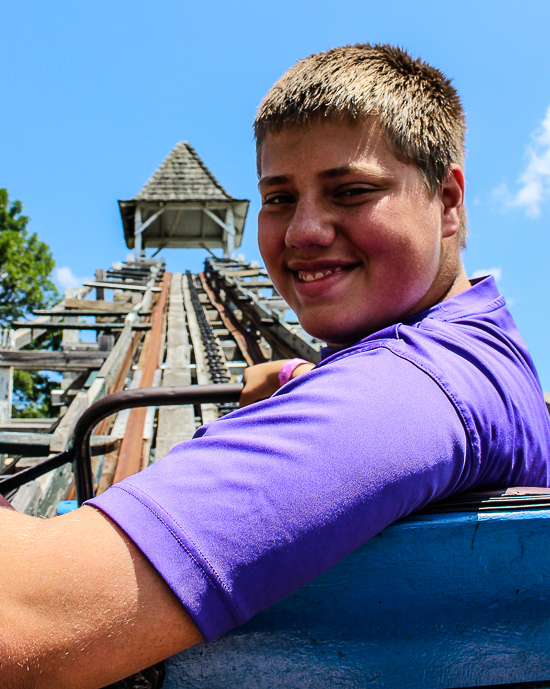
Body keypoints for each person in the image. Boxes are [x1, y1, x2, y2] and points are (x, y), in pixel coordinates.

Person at [2, 43, 550, 689]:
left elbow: (26, 621)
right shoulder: (482, 356)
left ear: (449, 200)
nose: (303, 231)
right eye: (279, 198)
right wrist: (296, 378)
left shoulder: (401, 396)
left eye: (351, 190)